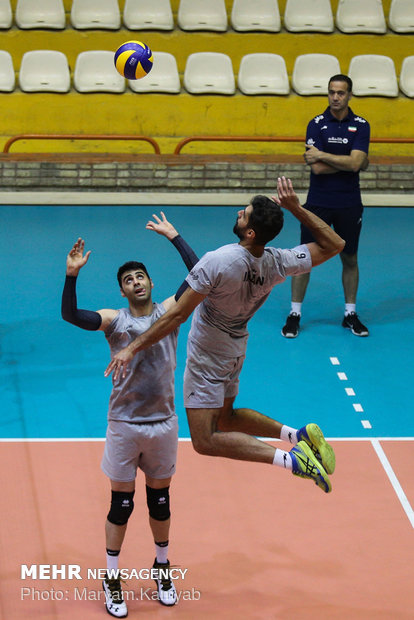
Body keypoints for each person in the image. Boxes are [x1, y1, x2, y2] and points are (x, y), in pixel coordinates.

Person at [104, 177, 345, 497]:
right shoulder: (278, 260)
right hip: (235, 349)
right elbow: (334, 244)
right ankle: (296, 436)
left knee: (205, 441)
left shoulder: (219, 260)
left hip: (207, 356)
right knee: (227, 418)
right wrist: (296, 208)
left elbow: (177, 315)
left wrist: (131, 347)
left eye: (243, 214)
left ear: (250, 232)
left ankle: (292, 461)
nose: (238, 213)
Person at [61, 213, 199, 618]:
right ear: (122, 291)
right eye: (128, 279)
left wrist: (175, 236)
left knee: (160, 500)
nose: (136, 281)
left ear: (151, 284)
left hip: (163, 423)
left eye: (141, 276)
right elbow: (72, 316)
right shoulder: (115, 321)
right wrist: (71, 276)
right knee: (121, 505)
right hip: (124, 425)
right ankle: (112, 577)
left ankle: (161, 566)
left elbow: (201, 276)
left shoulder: (171, 311)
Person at [281, 74, 370, 339]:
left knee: (350, 258)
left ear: (349, 95)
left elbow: (354, 164)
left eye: (341, 93)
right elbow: (318, 168)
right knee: (303, 259)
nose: (335, 97)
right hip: (317, 204)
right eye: (331, 92)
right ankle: (295, 314)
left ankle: (350, 314)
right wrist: (349, 161)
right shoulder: (316, 124)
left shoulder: (361, 125)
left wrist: (324, 154)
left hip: (349, 203)